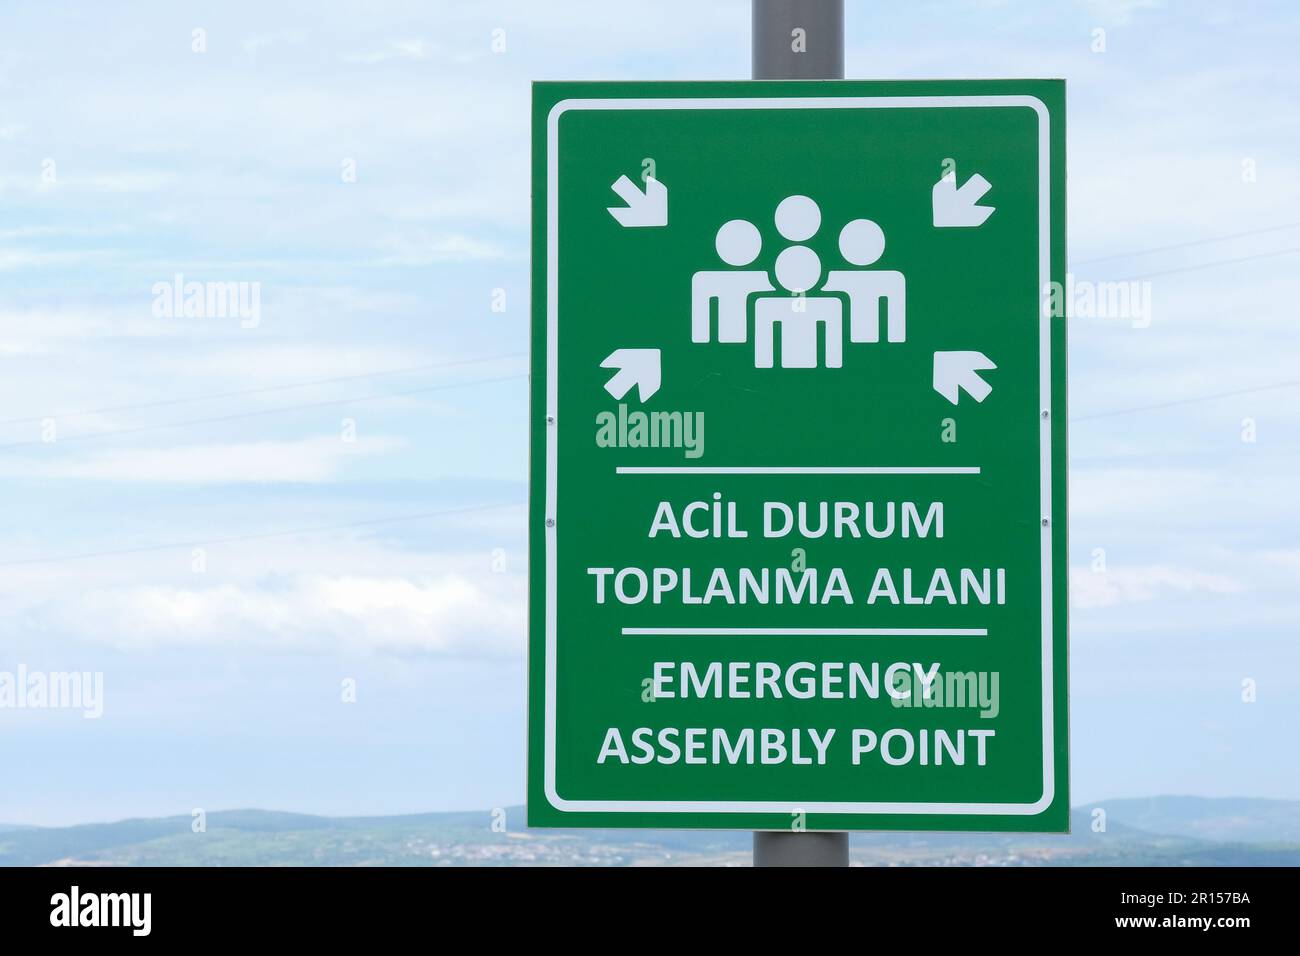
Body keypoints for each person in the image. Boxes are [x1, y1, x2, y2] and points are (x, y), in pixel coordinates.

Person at [821, 218, 906, 343]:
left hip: (873, 339)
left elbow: (897, 325)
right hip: (855, 338)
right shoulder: (894, 279)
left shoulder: (893, 279)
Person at [691, 219, 773, 344]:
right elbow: (699, 329)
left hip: (739, 343)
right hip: (725, 343)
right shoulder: (704, 280)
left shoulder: (704, 279)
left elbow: (700, 331)